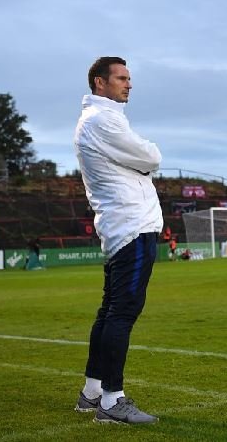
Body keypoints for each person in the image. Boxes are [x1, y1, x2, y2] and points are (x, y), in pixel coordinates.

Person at [73, 56, 162, 424]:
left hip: (121, 226)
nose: (129, 84)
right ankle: (112, 400)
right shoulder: (103, 120)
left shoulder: (99, 120)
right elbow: (151, 156)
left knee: (110, 311)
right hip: (131, 225)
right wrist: (145, 159)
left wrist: (139, 162)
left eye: (129, 78)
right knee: (121, 313)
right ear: (100, 83)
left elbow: (139, 160)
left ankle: (92, 392)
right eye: (122, 78)